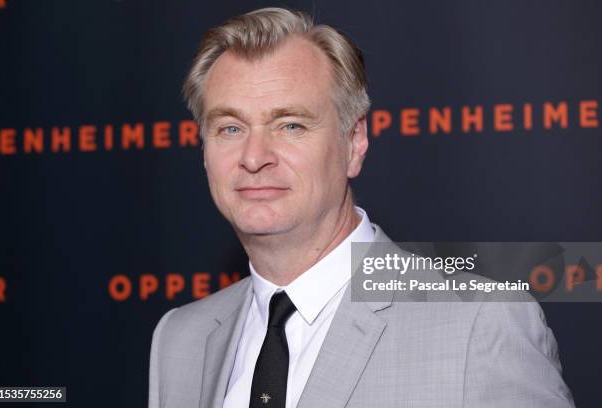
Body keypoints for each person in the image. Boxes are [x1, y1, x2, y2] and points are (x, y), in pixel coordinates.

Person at [149, 7, 574, 408]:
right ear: (204, 150)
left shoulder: (481, 324)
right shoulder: (180, 339)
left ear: (354, 144)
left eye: (291, 125)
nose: (255, 155)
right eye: (230, 127)